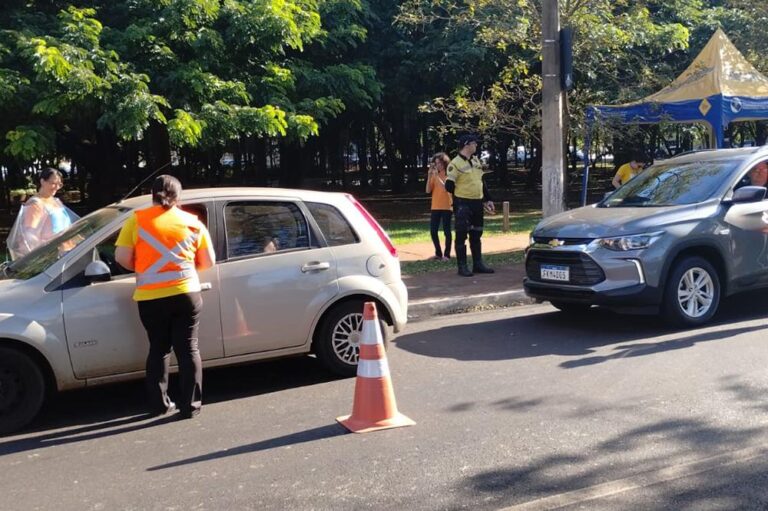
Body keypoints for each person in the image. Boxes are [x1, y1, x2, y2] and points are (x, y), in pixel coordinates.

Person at [115, 175, 215, 419]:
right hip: (186, 294)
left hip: (150, 298)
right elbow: (208, 261)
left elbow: (121, 257)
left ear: (152, 194)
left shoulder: (136, 221)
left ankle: (159, 404)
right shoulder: (193, 222)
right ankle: (190, 406)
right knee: (188, 349)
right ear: (179, 196)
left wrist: (145, 267)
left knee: (158, 349)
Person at [445, 134, 495, 277]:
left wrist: (488, 199)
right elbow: (449, 186)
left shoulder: (475, 160)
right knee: (461, 234)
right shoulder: (455, 164)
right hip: (463, 203)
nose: (476, 145)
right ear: (466, 145)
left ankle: (478, 263)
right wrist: (461, 197)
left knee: (477, 233)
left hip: (477, 202)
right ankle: (462, 266)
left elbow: (481, 181)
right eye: (474, 143)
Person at [6, 168, 79, 260]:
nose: (56, 187)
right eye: (53, 183)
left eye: (59, 184)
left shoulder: (55, 201)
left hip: (69, 252)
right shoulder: (35, 204)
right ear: (42, 181)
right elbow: (29, 237)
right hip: (53, 257)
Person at [425, 152, 453, 260]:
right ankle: (438, 253)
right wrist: (429, 176)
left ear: (444, 163)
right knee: (433, 231)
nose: (438, 166)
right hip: (435, 206)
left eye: (440, 163)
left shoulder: (449, 175)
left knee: (447, 231)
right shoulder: (433, 175)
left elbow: (446, 188)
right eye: (436, 164)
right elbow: (428, 190)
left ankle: (447, 254)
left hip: (447, 206)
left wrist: (437, 176)